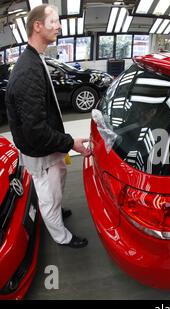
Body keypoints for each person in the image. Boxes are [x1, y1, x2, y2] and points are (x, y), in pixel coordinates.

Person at [5, 4, 90, 248]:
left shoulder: (36, 58)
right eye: (53, 21)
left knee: (58, 179)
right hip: (39, 150)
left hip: (48, 146)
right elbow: (35, 130)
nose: (59, 25)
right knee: (48, 194)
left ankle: (55, 212)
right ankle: (60, 236)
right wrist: (70, 142)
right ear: (37, 26)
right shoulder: (28, 71)